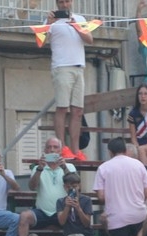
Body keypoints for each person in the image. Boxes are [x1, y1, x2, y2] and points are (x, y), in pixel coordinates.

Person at [46, 0, 92, 161]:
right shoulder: (50, 21)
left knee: (77, 111)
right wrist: (48, 23)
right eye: (61, 2)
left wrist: (76, 26)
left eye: (66, 1)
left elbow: (89, 39)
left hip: (79, 67)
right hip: (61, 66)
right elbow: (40, 41)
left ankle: (75, 149)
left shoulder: (80, 19)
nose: (64, 5)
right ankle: (62, 147)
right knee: (62, 108)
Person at [19, 138, 77, 236]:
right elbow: (32, 187)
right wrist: (40, 169)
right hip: (42, 212)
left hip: (63, 211)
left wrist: (64, 167)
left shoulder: (69, 167)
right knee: (24, 216)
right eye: (49, 147)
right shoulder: (37, 168)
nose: (52, 150)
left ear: (60, 151)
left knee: (76, 219)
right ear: (45, 151)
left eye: (55, 147)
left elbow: (74, 185)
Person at [54, 172, 94, 236]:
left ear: (79, 186)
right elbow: (61, 222)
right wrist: (67, 207)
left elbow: (87, 223)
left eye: (74, 187)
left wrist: (78, 208)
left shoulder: (86, 200)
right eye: (68, 187)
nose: (72, 189)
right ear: (64, 187)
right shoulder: (60, 201)